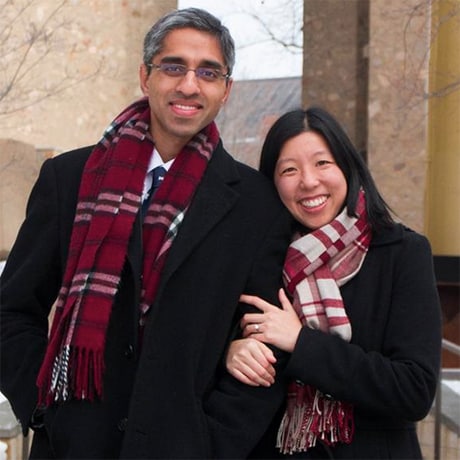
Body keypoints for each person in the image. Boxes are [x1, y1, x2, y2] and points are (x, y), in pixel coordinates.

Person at [0, 8, 293, 459]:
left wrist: (210, 442)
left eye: (208, 72)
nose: (189, 85)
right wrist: (44, 409)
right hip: (73, 446)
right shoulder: (69, 178)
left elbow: (263, 340)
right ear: (145, 76)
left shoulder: (258, 205)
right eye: (173, 66)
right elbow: (11, 311)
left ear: (226, 90)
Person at [226, 107, 442, 459]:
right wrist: (230, 353)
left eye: (322, 163)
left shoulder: (402, 253)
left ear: (347, 166)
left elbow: (414, 391)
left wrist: (301, 342)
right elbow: (216, 346)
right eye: (289, 170)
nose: (308, 181)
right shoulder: (260, 257)